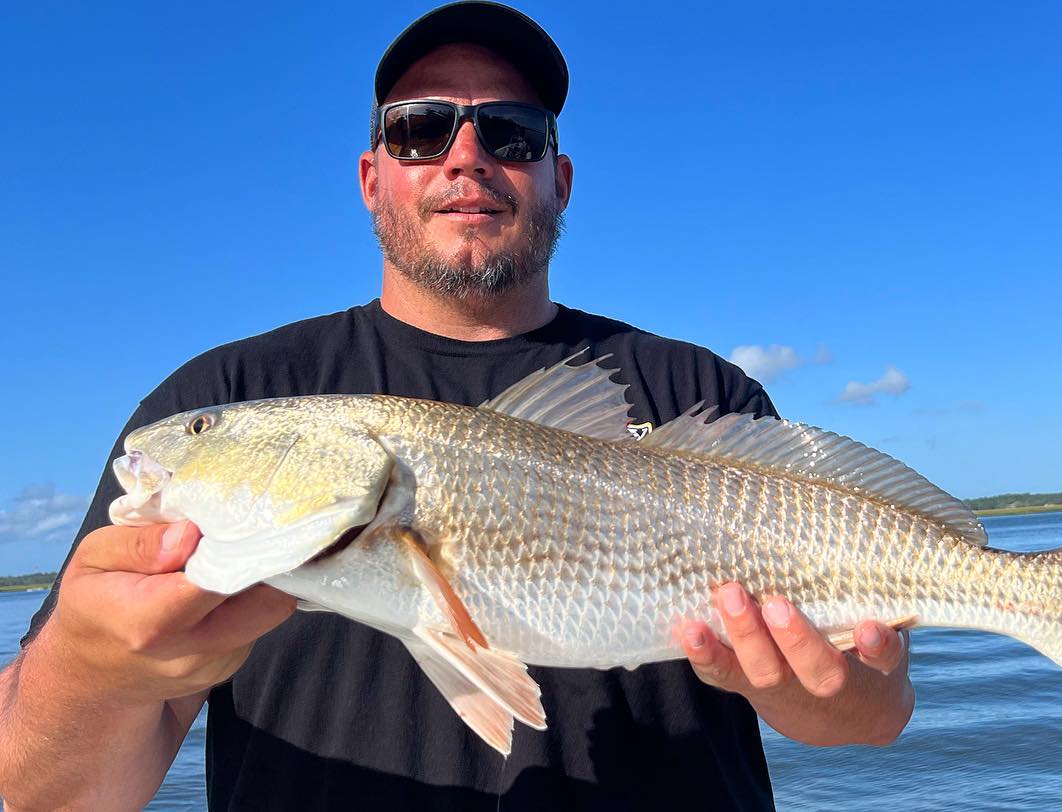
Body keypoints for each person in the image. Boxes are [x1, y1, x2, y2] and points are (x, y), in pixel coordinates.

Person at [0, 3, 914, 809]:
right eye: (420, 129)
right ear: (371, 179)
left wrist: (834, 701)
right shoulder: (225, 394)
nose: (465, 157)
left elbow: (877, 714)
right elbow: (42, 797)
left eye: (510, 132)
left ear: (560, 179)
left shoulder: (702, 395)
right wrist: (87, 672)